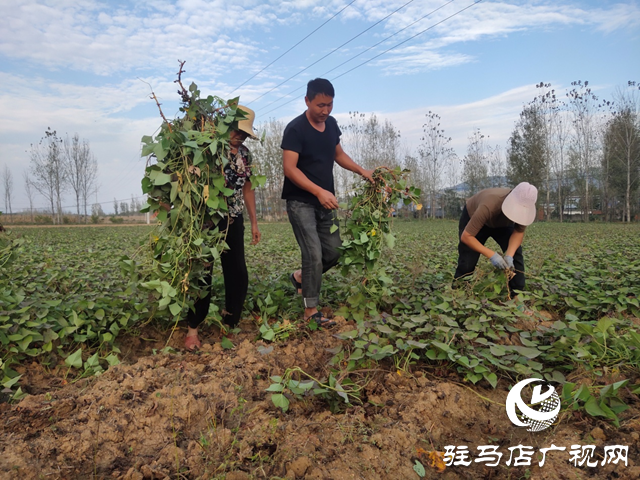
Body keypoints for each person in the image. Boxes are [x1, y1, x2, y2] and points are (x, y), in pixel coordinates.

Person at [281, 78, 373, 327]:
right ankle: (311, 311)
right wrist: (318, 191)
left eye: (330, 105)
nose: (325, 111)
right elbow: (290, 169)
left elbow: (339, 155)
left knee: (332, 253)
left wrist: (363, 171)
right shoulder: (295, 129)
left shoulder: (331, 125)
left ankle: (300, 277)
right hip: (301, 202)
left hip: (326, 201)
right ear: (307, 101)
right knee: (313, 254)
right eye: (320, 105)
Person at [184, 105, 261, 350]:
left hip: (234, 218)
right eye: (236, 130)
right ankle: (193, 329)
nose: (240, 136)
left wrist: (254, 221)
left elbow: (247, 188)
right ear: (225, 126)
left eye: (245, 133)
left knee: (237, 271)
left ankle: (230, 323)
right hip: (207, 220)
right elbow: (188, 180)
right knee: (202, 272)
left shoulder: (246, 155)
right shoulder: (207, 150)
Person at [453, 182, 538, 294]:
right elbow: (467, 237)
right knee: (468, 260)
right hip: (475, 216)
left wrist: (509, 255)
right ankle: (457, 292)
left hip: (503, 224)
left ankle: (517, 295)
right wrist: (492, 255)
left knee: (516, 255)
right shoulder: (489, 204)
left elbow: (518, 232)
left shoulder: (525, 208)